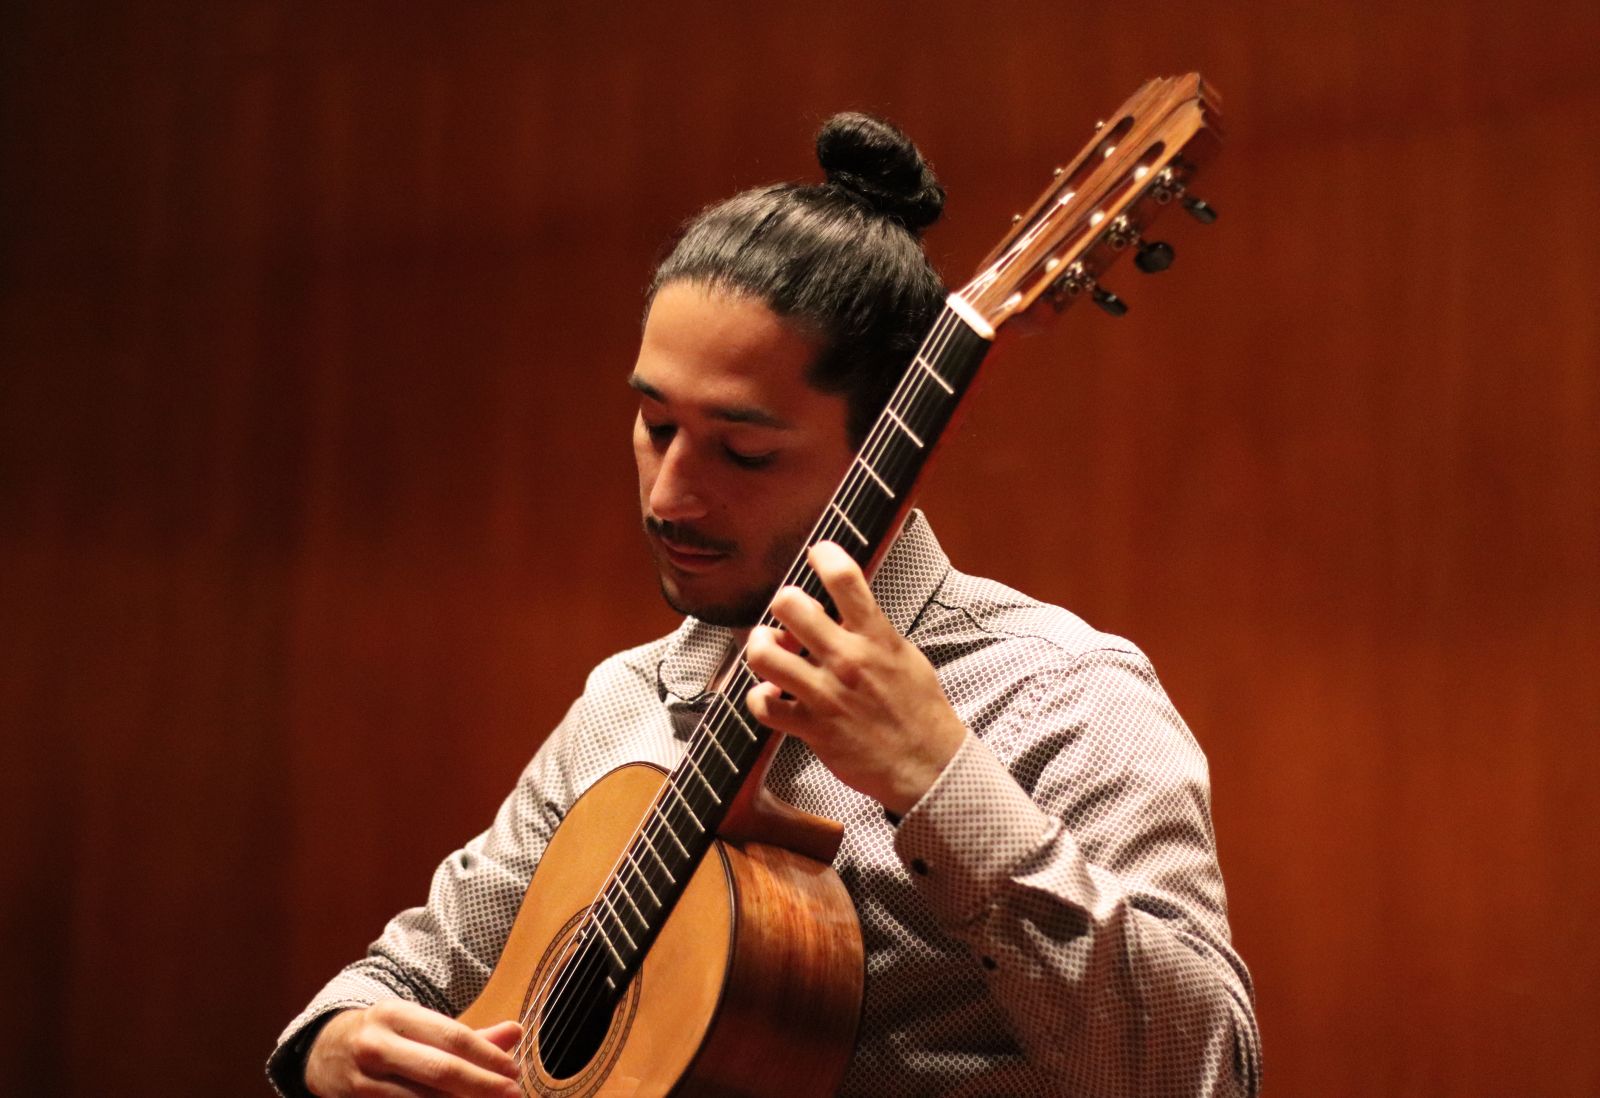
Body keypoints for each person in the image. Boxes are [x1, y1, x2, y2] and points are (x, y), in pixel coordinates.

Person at [268, 112, 1261, 1098]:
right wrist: (333, 1044)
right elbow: (412, 976)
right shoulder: (628, 701)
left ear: (884, 446)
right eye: (656, 424)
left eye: (742, 450)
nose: (668, 496)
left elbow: (1199, 1071)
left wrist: (943, 781)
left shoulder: (1062, 698)